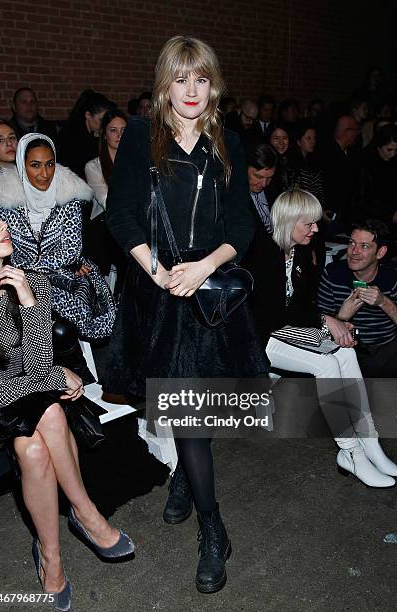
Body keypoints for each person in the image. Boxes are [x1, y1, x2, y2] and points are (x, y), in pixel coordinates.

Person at [104, 35, 268, 593]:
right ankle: (191, 493)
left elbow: (243, 225)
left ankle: (211, 525)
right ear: (164, 84)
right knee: (176, 406)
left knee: (196, 415)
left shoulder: (228, 142)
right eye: (180, 78)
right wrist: (158, 270)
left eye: (201, 78)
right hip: (157, 291)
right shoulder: (141, 141)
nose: (191, 90)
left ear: (213, 84)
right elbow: (120, 214)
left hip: (209, 294)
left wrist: (204, 266)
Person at [0, 201, 134, 611]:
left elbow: (30, 364)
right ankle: (87, 516)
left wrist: (29, 303)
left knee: (33, 446)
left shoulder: (26, 277)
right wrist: (56, 377)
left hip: (25, 402)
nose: (1, 223)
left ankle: (51, 557)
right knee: (48, 412)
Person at [247, 189, 397, 487]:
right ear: (290, 220)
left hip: (288, 330)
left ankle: (368, 441)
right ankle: (349, 451)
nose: (316, 229)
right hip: (260, 338)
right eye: (310, 223)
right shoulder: (261, 252)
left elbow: (302, 304)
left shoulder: (301, 250)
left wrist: (333, 324)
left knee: (345, 351)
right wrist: (326, 320)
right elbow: (271, 315)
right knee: (326, 365)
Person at [0, 133, 116, 343]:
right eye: (35, 165)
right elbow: (8, 252)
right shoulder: (5, 201)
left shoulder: (70, 197)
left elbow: (70, 251)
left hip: (65, 274)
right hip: (19, 277)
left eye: (50, 164)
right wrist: (31, 267)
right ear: (22, 166)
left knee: (69, 316)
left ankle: (72, 365)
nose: (44, 173)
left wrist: (31, 265)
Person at [318, 220, 397, 377]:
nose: (354, 251)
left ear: (380, 252)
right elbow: (317, 327)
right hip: (345, 350)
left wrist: (383, 302)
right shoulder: (333, 273)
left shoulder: (392, 278)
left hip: (386, 351)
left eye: (364, 246)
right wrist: (341, 317)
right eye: (351, 243)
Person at [84, 109, 127, 276]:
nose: (119, 135)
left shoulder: (137, 163)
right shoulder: (93, 166)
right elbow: (106, 200)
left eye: (123, 131)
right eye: (113, 130)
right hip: (104, 229)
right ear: (104, 134)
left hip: (130, 227)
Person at [57, 90, 116, 178]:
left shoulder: (94, 134)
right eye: (100, 120)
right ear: (88, 115)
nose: (104, 124)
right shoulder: (70, 136)